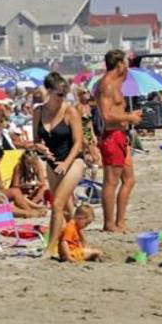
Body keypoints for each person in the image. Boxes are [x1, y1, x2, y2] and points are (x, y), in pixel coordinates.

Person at [31, 73, 86, 257]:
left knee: (57, 205)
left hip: (73, 161)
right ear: (48, 91)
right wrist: (39, 147)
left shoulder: (70, 111)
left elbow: (78, 142)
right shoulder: (38, 112)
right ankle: (79, 243)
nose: (62, 98)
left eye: (64, 94)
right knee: (68, 210)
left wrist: (66, 163)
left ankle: (50, 249)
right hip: (51, 163)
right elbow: (36, 140)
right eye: (59, 94)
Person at [96, 50, 143, 233]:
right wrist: (130, 118)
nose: (127, 66)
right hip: (111, 136)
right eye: (125, 62)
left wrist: (130, 115)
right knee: (111, 181)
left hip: (121, 135)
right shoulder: (106, 85)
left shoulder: (118, 82)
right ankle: (109, 224)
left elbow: (116, 111)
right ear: (119, 64)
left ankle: (120, 222)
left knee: (129, 180)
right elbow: (107, 116)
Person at [0, 145, 46, 218]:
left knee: (15, 192)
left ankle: (34, 208)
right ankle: (30, 211)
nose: (0, 162)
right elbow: (0, 187)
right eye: (1, 160)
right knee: (15, 191)